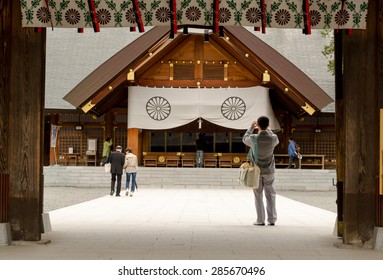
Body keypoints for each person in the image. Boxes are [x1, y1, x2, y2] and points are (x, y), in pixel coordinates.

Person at [242, 116, 279, 226]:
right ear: (268, 125)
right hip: (269, 170)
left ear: (257, 124)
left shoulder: (253, 138)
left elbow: (244, 139)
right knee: (271, 195)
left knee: (258, 195)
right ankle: (272, 219)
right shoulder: (274, 138)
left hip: (256, 171)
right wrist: (266, 128)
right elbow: (271, 134)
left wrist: (251, 128)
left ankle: (260, 219)